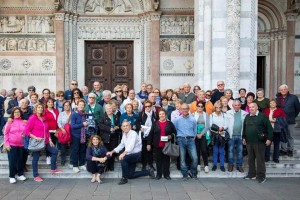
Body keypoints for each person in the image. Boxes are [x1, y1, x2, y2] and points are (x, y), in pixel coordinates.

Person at [107, 120, 155, 185]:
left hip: (136, 155)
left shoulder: (133, 134)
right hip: (130, 155)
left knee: (123, 158)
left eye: (127, 125)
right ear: (121, 127)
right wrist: (112, 151)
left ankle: (124, 178)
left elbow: (131, 146)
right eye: (123, 126)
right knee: (130, 175)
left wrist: (123, 153)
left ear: (130, 126)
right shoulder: (124, 134)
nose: (125, 127)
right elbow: (121, 145)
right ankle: (148, 172)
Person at [24, 103, 61, 182]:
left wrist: (50, 140)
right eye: (39, 107)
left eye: (42, 107)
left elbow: (46, 130)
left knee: (55, 151)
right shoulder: (32, 118)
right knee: (36, 157)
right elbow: (26, 131)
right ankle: (35, 175)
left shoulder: (43, 118)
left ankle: (53, 168)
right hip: (37, 141)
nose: (40, 109)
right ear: (36, 109)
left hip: (46, 140)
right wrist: (35, 137)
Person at [242, 103, 273, 183]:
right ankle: (252, 174)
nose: (251, 108)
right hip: (249, 142)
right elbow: (244, 128)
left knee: (260, 159)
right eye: (250, 107)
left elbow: (269, 128)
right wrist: (244, 137)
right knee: (250, 159)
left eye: (253, 107)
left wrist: (269, 139)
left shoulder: (262, 116)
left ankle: (261, 176)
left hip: (259, 142)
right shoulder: (247, 116)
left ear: (257, 108)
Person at [147, 109, 177, 180]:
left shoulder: (170, 123)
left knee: (166, 160)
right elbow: (151, 134)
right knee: (158, 161)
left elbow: (174, 132)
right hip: (157, 145)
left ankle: (166, 174)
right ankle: (158, 175)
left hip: (166, 145)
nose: (161, 115)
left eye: (163, 114)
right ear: (158, 115)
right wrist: (148, 144)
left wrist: (171, 136)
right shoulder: (155, 123)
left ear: (165, 114)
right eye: (160, 114)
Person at [174, 103, 198, 180]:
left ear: (188, 109)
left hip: (191, 140)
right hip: (181, 140)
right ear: (181, 110)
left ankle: (192, 172)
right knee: (182, 159)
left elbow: (195, 130)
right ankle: (184, 174)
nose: (184, 110)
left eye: (186, 109)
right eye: (183, 109)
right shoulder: (177, 120)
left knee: (195, 158)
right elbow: (175, 130)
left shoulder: (193, 119)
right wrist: (177, 139)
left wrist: (192, 138)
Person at [275, 84, 300, 157]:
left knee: (290, 135)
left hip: (290, 120)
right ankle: (283, 150)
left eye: (284, 89)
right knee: (282, 135)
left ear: (287, 89)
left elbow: (297, 109)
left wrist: (292, 116)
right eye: (281, 89)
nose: (283, 91)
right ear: (279, 90)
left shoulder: (294, 98)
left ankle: (290, 150)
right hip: (280, 120)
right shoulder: (277, 98)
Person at [4, 107, 27, 184]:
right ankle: (12, 176)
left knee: (20, 160)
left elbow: (26, 132)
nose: (17, 113)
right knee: (12, 161)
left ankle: (20, 174)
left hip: (21, 144)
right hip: (12, 144)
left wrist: (24, 134)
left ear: (20, 113)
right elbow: (6, 133)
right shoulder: (10, 122)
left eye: (18, 112)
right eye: (15, 112)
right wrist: (6, 144)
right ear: (13, 114)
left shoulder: (23, 122)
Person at [226, 100, 248, 173]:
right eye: (235, 105)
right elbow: (225, 123)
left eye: (238, 105)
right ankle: (231, 165)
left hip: (240, 135)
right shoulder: (228, 113)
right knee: (230, 151)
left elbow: (245, 126)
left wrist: (245, 137)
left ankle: (239, 165)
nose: (237, 106)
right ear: (232, 105)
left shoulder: (245, 114)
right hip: (231, 135)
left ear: (240, 105)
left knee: (240, 151)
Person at [136, 101, 157, 171]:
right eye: (146, 106)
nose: (147, 107)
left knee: (150, 151)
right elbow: (136, 123)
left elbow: (156, 123)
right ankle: (144, 165)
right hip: (144, 136)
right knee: (144, 151)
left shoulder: (154, 114)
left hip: (152, 135)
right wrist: (139, 128)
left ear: (151, 107)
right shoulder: (141, 114)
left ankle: (150, 164)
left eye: (149, 106)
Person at [99, 104, 120, 171]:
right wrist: (109, 129)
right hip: (105, 137)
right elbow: (100, 125)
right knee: (106, 151)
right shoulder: (102, 116)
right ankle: (106, 166)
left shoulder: (115, 116)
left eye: (110, 108)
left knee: (112, 151)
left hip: (114, 137)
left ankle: (111, 165)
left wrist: (117, 127)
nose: (109, 110)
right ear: (105, 109)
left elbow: (119, 124)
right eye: (107, 109)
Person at [71, 99, 88, 173]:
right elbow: (73, 126)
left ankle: (81, 164)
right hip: (76, 135)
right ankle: (75, 166)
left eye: (83, 105)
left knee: (82, 150)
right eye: (80, 105)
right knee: (75, 150)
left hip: (83, 135)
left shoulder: (84, 113)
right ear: (77, 105)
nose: (81, 106)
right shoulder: (74, 114)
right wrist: (82, 124)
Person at [192, 101, 210, 173]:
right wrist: (196, 134)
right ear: (196, 107)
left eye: (201, 106)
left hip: (203, 134)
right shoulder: (193, 115)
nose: (200, 107)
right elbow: (192, 125)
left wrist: (201, 134)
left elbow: (207, 126)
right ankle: (198, 164)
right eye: (198, 106)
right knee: (197, 150)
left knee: (204, 150)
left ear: (203, 107)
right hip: (195, 134)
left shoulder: (206, 115)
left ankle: (206, 165)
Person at [210, 100, 228, 172]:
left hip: (222, 134)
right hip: (215, 134)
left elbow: (226, 125)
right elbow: (210, 125)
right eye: (217, 107)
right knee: (215, 150)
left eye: (220, 107)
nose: (218, 109)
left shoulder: (224, 115)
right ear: (215, 107)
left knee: (221, 151)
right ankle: (214, 165)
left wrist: (222, 128)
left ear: (221, 107)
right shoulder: (211, 115)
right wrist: (218, 130)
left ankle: (222, 165)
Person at [57, 101, 72, 166]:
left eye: (68, 105)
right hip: (63, 132)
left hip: (71, 132)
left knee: (72, 146)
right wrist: (62, 128)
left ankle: (71, 160)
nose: (67, 106)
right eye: (65, 105)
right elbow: (58, 122)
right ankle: (63, 159)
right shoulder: (61, 113)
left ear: (70, 106)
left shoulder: (73, 113)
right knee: (62, 146)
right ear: (63, 106)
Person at [45, 98, 59, 165]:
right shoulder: (45, 111)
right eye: (49, 102)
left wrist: (57, 129)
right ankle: (48, 157)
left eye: (52, 102)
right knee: (49, 145)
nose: (50, 103)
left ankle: (53, 158)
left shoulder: (56, 111)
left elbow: (58, 120)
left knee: (54, 144)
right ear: (47, 103)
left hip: (55, 130)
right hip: (48, 131)